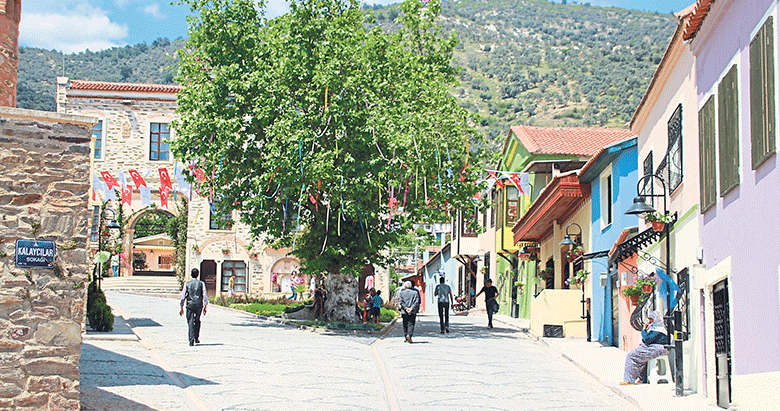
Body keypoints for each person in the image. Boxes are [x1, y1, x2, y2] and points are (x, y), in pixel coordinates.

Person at [621, 310, 671, 385]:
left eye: (651, 319)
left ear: (656, 319)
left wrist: (644, 330)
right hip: (653, 347)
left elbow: (647, 339)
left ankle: (629, 380)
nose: (650, 321)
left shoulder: (658, 329)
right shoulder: (654, 327)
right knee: (641, 358)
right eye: (649, 319)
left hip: (657, 348)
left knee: (631, 356)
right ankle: (642, 379)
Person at [179, 268, 208, 346]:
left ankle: (191, 339)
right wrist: (205, 306)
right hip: (199, 304)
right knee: (197, 320)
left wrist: (181, 307)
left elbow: (183, 296)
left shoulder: (187, 284)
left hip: (190, 305)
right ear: (198, 275)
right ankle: (196, 337)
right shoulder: (201, 283)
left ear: (191, 275)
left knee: (190, 321)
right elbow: (204, 295)